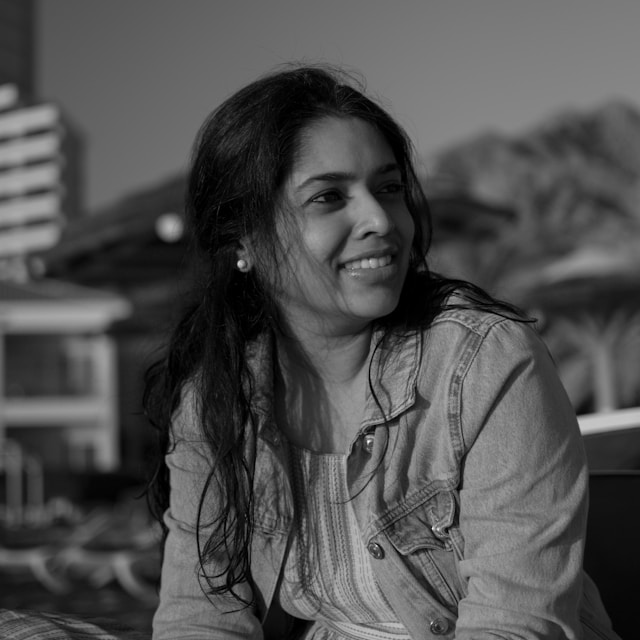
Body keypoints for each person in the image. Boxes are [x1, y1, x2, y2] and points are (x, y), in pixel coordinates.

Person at [144, 65, 620, 640]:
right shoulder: (218, 399)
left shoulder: (484, 364)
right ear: (244, 240)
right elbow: (197, 617)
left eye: (390, 188)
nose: (380, 220)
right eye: (328, 197)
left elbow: (516, 626)